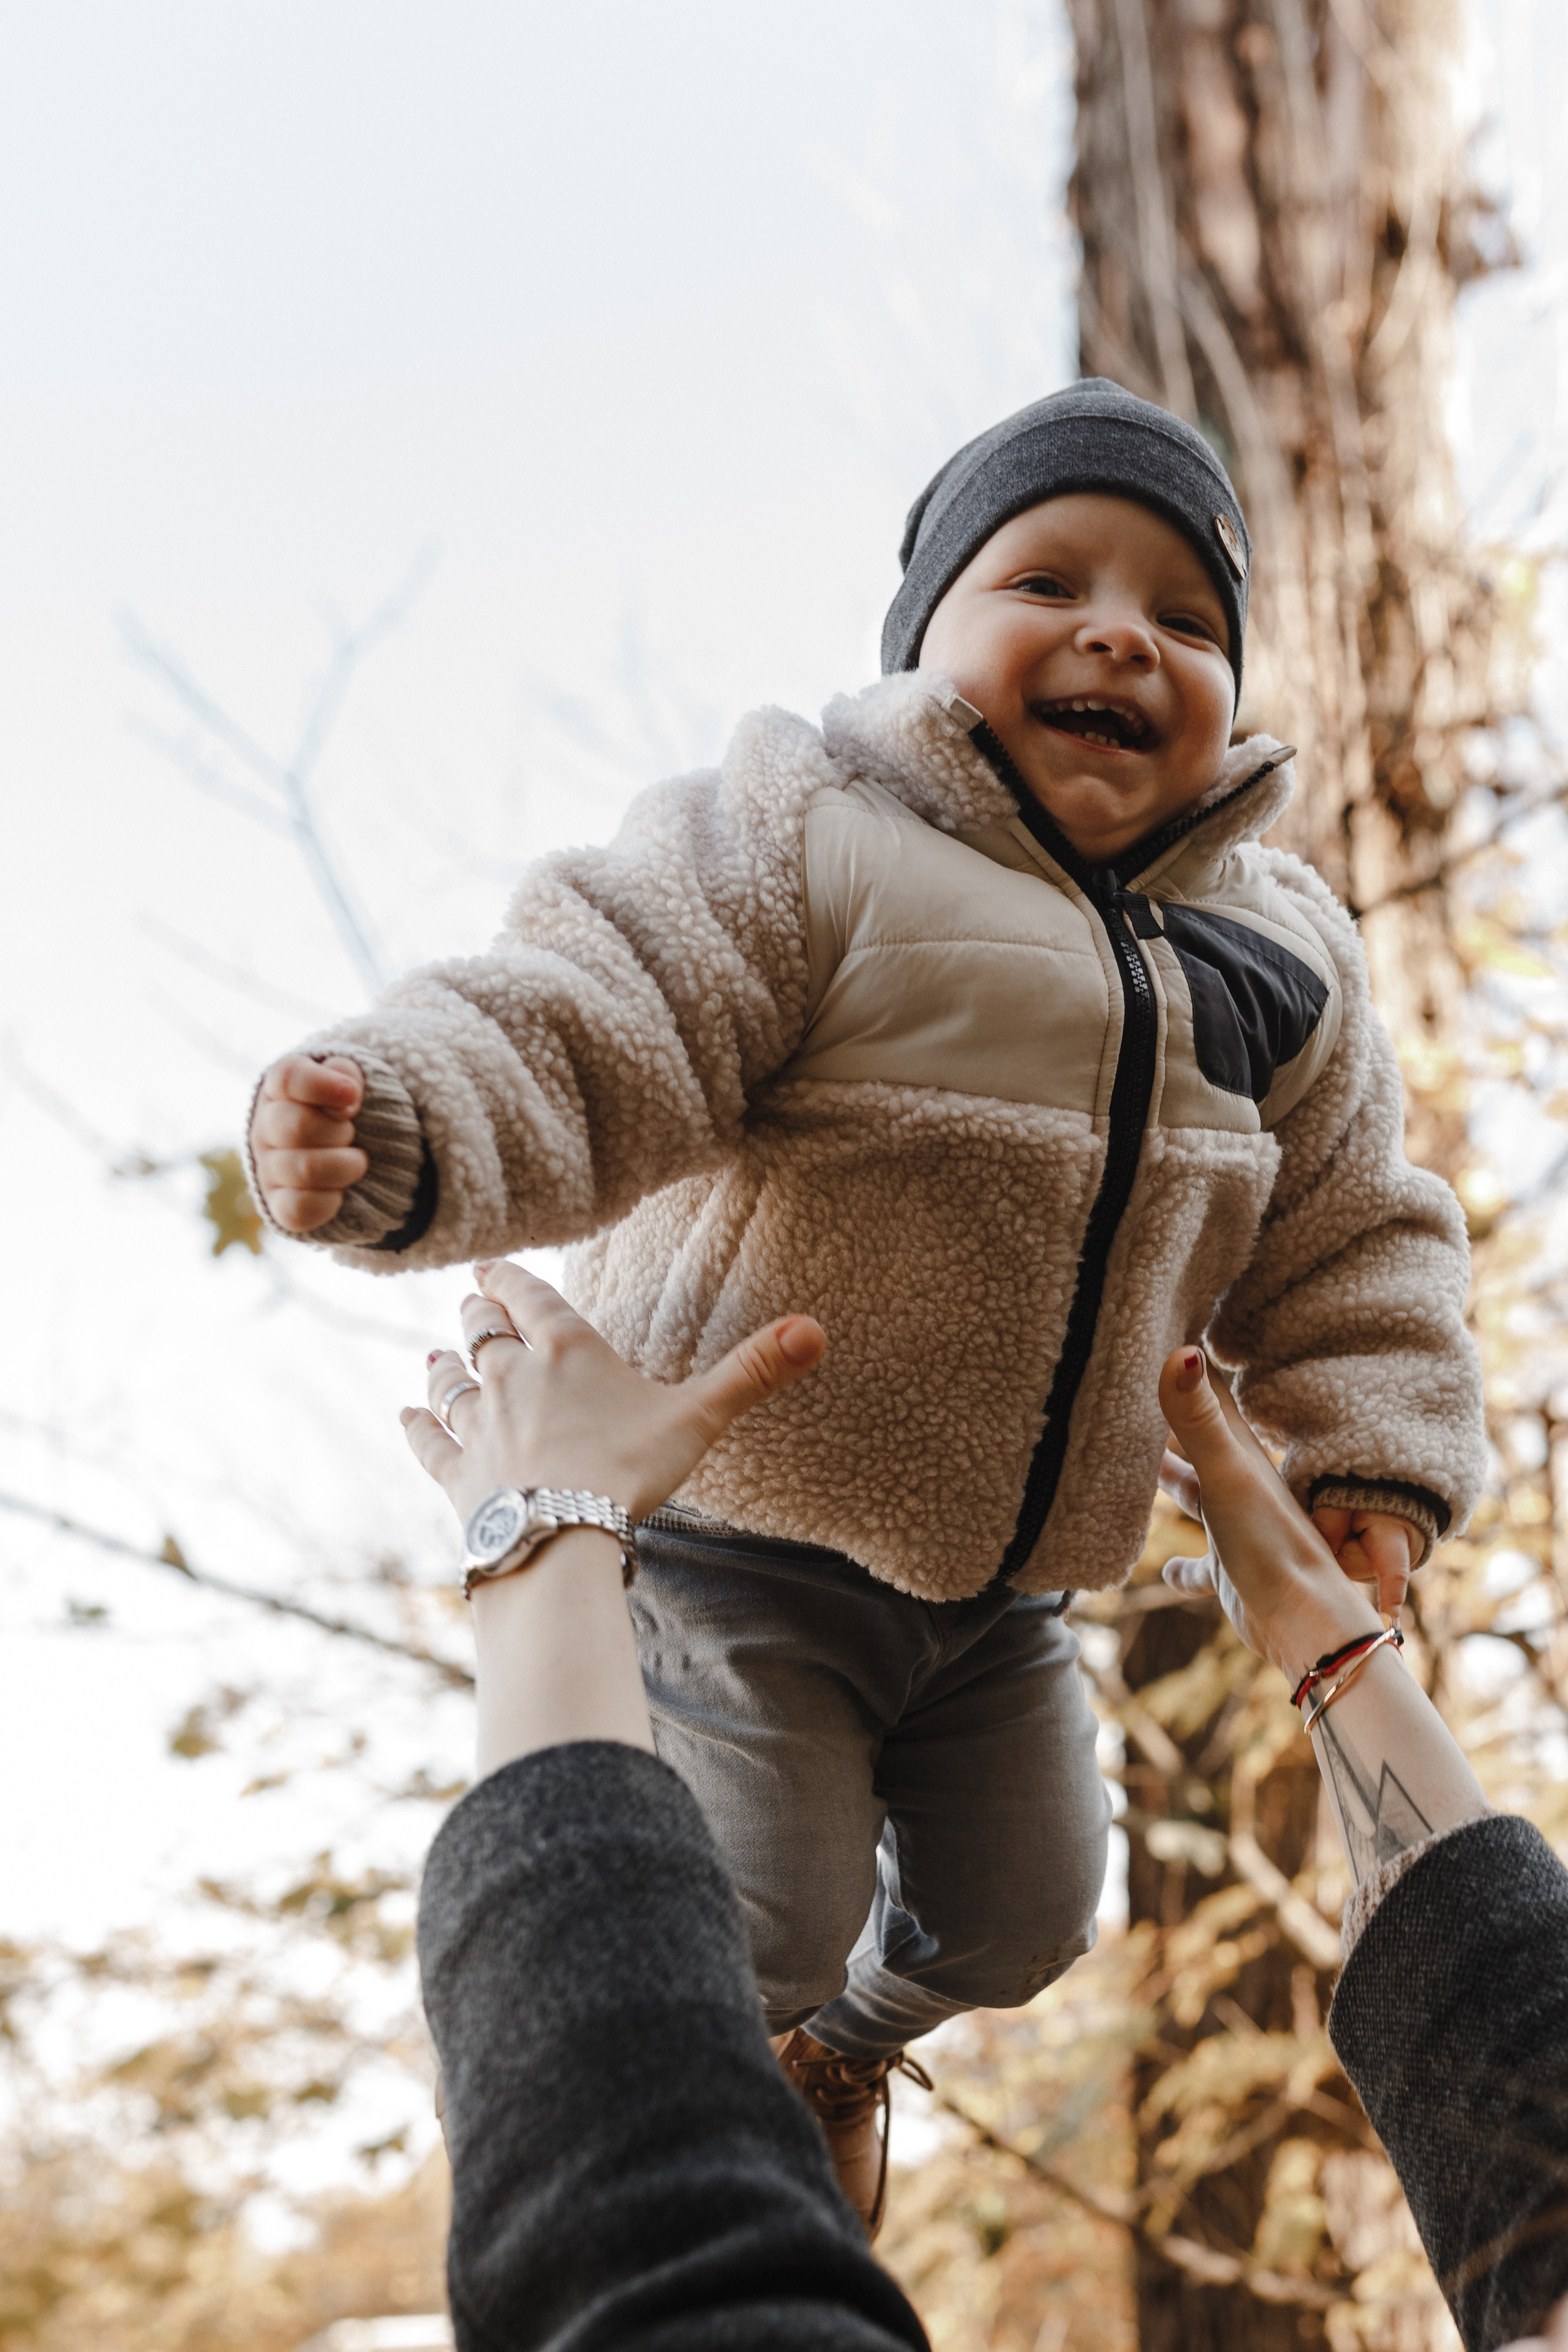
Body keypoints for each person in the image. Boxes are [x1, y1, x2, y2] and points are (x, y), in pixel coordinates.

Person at [248, 379, 1487, 2225]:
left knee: (1029, 1914)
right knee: (763, 1913)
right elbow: (600, 1012)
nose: (1118, 634)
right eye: (1047, 579)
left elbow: (1359, 1237)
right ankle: (674, 2152)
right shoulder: (813, 834)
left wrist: (1368, 1468)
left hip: (1006, 1594)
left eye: (1188, 617)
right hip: (747, 1530)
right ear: (926, 642)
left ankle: (843, 2047)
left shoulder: (1286, 953)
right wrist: (406, 1123)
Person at [408, 1261, 1568, 2352]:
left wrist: (539, 1535)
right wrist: (1334, 1624)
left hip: (951, 1576)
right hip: (829, 1545)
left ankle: (830, 2051)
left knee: (1018, 1915)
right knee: (800, 1924)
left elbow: (645, 2279)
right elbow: (1518, 2062)